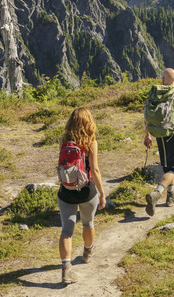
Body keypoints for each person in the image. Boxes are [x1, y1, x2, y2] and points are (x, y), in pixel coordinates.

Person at [57, 107, 106, 284]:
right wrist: (102, 193)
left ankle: (66, 268)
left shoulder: (63, 140)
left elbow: (60, 164)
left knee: (66, 230)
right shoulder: (91, 142)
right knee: (88, 223)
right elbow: (95, 171)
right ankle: (87, 252)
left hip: (66, 192)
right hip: (87, 192)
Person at [143, 68, 174, 216]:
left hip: (159, 134)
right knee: (173, 168)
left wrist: (147, 135)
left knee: (167, 166)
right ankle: (157, 194)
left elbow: (147, 115)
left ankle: (171, 196)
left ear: (162, 80)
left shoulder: (155, 94)